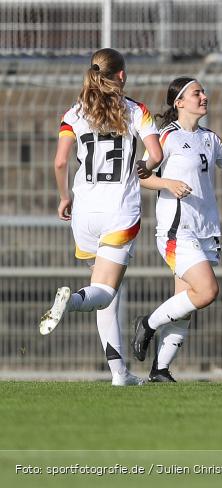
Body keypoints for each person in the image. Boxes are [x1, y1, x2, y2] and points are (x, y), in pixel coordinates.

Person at [129, 77, 222, 381]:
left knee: (186, 302)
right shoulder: (165, 137)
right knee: (208, 291)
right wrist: (168, 183)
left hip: (206, 230)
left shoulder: (210, 138)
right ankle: (147, 323)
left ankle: (160, 370)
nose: (204, 97)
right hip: (177, 230)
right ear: (179, 102)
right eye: (197, 93)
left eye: (204, 92)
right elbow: (142, 176)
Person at [39, 48, 162, 387]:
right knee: (104, 292)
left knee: (106, 290)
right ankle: (72, 301)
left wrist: (64, 196)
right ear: (121, 76)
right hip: (119, 213)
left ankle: (119, 374)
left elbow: (61, 162)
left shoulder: (75, 113)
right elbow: (156, 154)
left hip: (84, 213)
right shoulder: (136, 110)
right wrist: (148, 167)